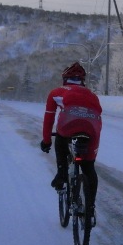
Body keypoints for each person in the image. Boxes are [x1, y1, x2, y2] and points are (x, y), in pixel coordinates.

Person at [40, 62, 102, 217]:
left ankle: (62, 174)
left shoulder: (56, 92)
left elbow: (49, 119)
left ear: (65, 79)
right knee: (89, 167)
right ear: (82, 81)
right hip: (93, 126)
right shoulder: (92, 95)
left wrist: (46, 141)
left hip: (69, 124)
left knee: (60, 138)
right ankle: (90, 209)